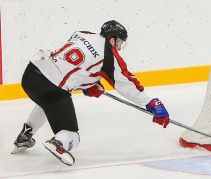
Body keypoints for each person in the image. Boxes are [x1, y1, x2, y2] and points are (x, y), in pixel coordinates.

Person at [11, 20, 170, 166]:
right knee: (72, 136)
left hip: (31, 74)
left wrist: (89, 84)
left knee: (47, 103)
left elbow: (72, 65)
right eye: (120, 42)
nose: (120, 48)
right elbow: (126, 83)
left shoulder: (81, 34)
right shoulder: (110, 56)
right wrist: (151, 103)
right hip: (52, 87)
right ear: (112, 39)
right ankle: (58, 142)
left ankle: (24, 136)